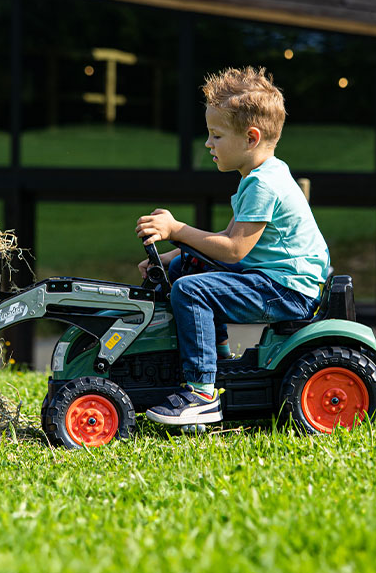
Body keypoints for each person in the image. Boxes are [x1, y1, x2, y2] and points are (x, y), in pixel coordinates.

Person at [136, 66, 330, 426]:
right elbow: (226, 240)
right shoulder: (261, 175)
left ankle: (201, 393)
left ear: (251, 138)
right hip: (273, 278)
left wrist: (177, 229)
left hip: (286, 290)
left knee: (191, 291)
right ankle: (217, 360)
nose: (208, 144)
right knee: (186, 269)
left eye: (216, 135)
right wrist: (174, 255)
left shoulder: (262, 185)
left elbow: (233, 250)